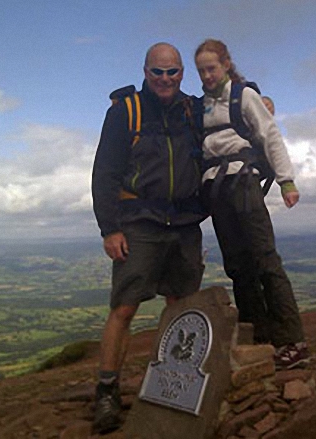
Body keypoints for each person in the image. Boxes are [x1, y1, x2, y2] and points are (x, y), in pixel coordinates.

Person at [91, 42, 206, 433]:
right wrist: (110, 228)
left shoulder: (194, 110)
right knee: (124, 308)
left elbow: (230, 111)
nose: (164, 79)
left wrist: (259, 99)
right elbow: (104, 172)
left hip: (185, 222)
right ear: (144, 71)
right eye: (157, 72)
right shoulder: (125, 111)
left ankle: (175, 388)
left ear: (181, 74)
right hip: (138, 221)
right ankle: (107, 391)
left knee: (180, 308)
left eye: (172, 71)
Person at [194, 39, 310, 369]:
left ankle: (293, 342)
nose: (207, 75)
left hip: (244, 183)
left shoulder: (244, 96)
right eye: (202, 70)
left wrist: (286, 180)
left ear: (226, 64)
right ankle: (259, 338)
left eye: (211, 68)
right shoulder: (201, 105)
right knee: (238, 266)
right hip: (218, 190)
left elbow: (269, 134)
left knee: (264, 261)